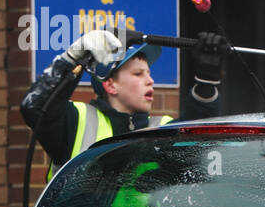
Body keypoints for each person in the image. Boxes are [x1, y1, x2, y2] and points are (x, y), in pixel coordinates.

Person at [21, 29, 229, 179]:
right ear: (110, 85)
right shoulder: (76, 121)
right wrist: (71, 58)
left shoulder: (161, 128)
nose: (150, 80)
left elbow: (200, 141)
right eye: (138, 74)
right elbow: (35, 106)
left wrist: (207, 80)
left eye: (149, 73)